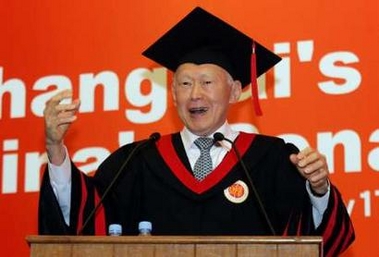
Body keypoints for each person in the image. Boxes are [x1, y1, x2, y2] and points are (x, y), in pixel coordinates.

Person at [38, 7, 355, 256]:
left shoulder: (272, 159)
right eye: (185, 84)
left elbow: (320, 241)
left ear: (233, 92)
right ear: (172, 94)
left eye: (206, 82)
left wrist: (318, 189)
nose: (195, 95)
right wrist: (55, 149)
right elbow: (83, 226)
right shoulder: (137, 162)